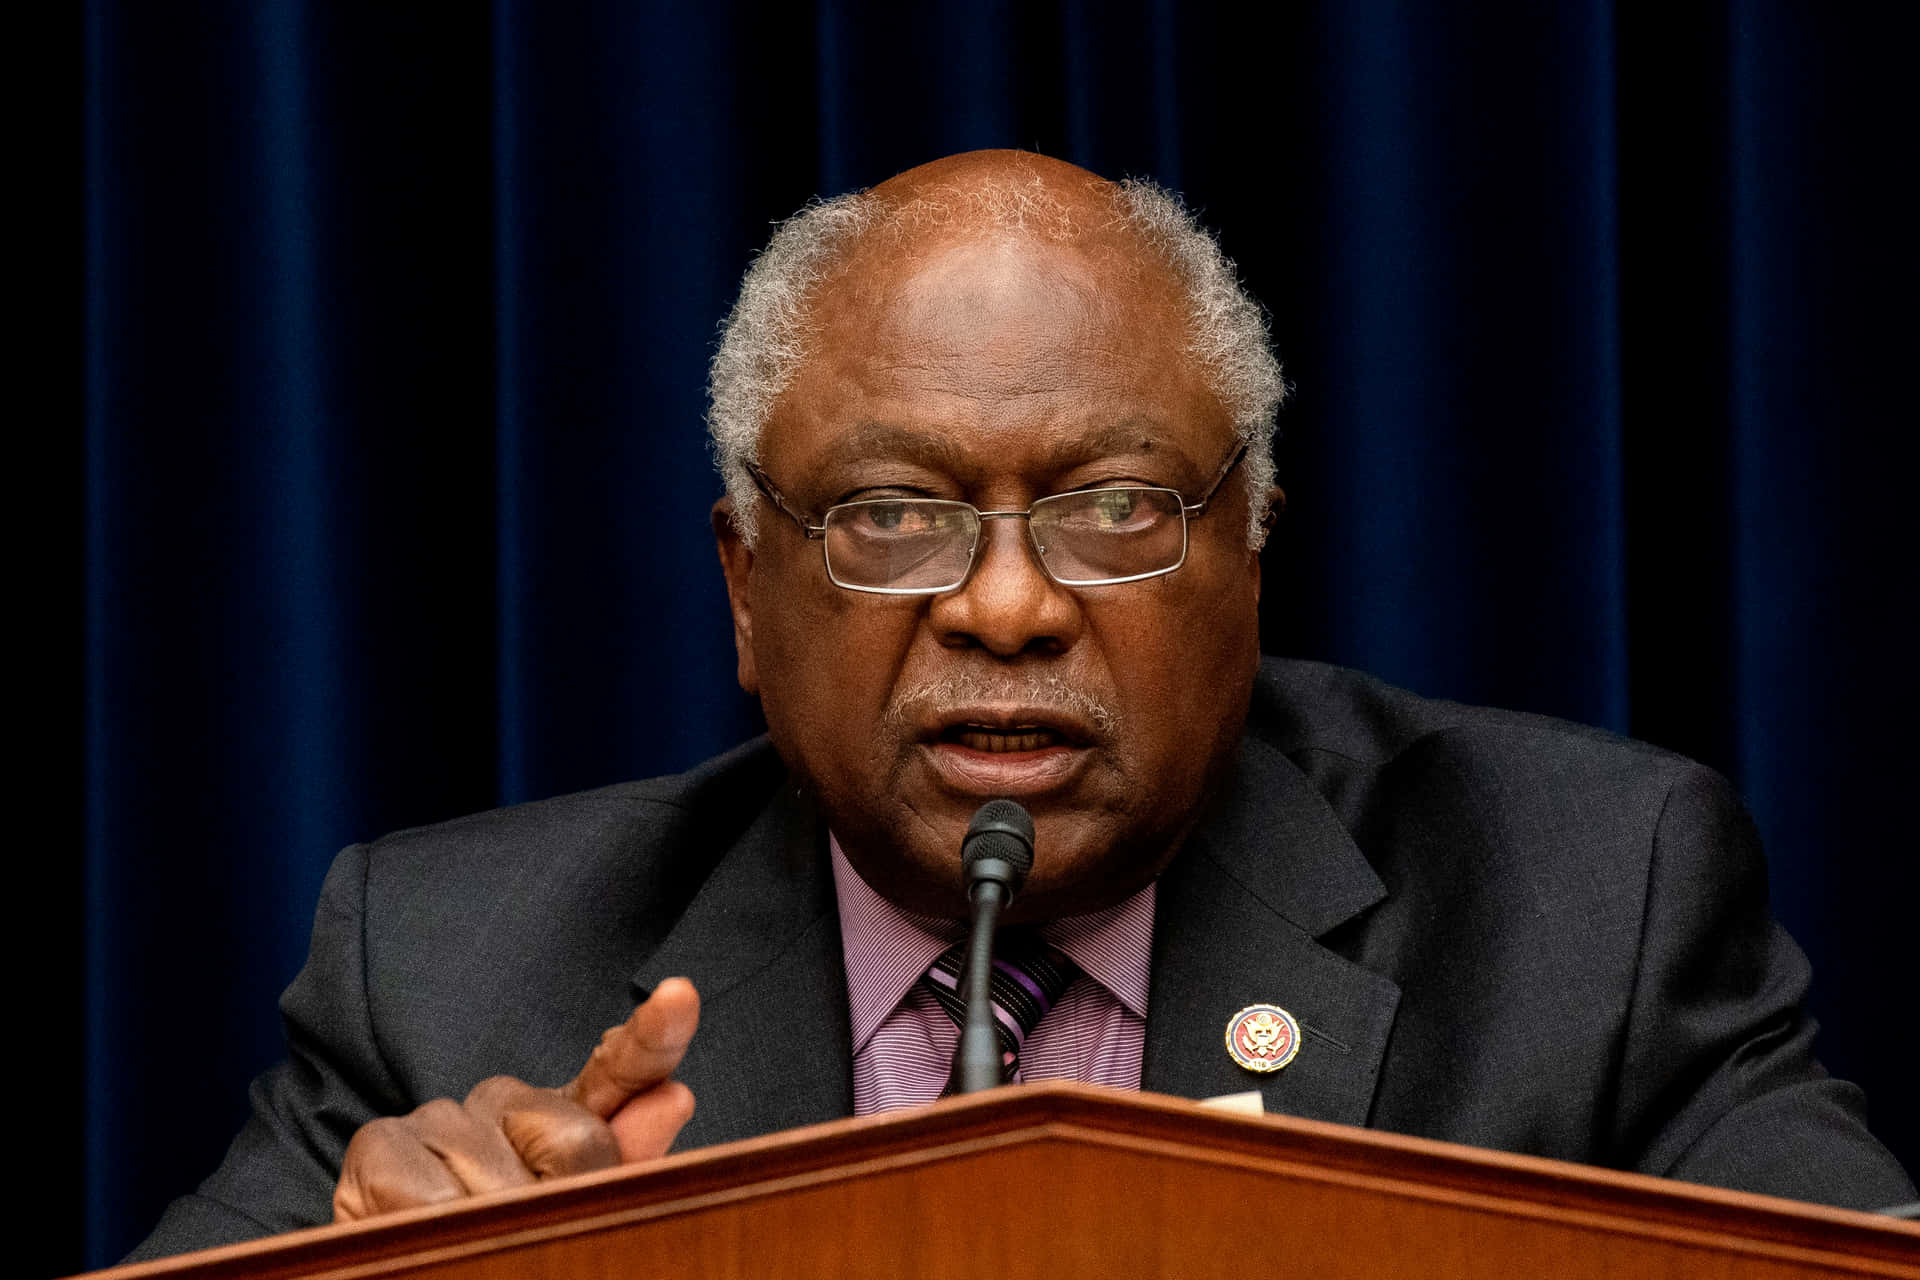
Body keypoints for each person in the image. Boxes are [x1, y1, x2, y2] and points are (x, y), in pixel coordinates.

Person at [129, 150, 1913, 1259]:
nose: (1006, 604)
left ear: (1250, 558)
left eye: (1118, 507)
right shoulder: (453, 976)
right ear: (746, 590)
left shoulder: (1590, 910)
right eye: (892, 514)